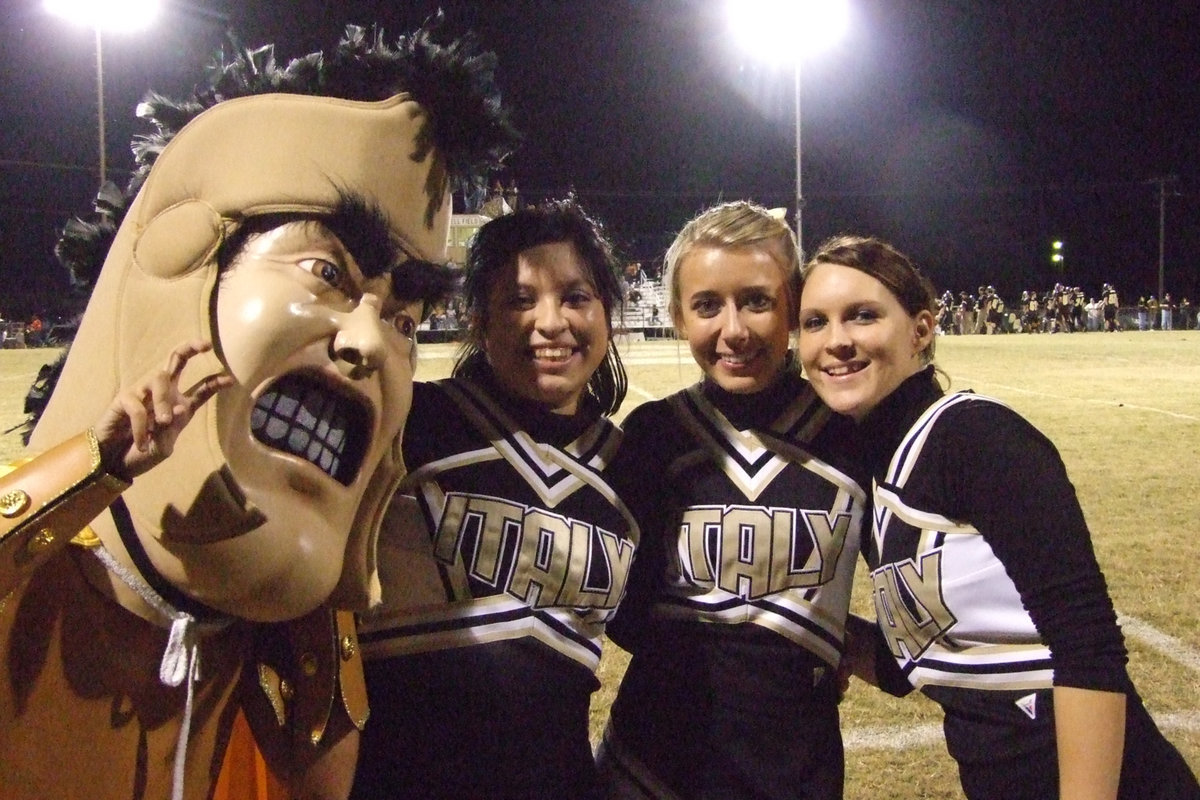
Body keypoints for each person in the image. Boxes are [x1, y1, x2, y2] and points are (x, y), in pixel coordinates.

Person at [0, 22, 516, 800]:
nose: (372, 343)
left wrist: (323, 582)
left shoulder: (258, 640)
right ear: (181, 272)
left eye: (406, 321)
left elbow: (319, 784)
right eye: (325, 272)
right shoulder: (33, 574)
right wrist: (89, 473)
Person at [796, 234, 1200, 800]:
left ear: (921, 329)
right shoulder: (873, 473)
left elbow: (1088, 649)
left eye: (863, 316)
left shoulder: (978, 437)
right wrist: (789, 622)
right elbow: (904, 663)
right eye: (815, 322)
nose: (836, 341)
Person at [350, 199, 638, 799]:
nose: (551, 322)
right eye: (520, 299)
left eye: (576, 297)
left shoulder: (634, 467)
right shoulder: (409, 421)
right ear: (479, 319)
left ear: (608, 313)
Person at [597, 202, 868, 799]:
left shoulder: (853, 437)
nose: (734, 330)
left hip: (796, 769)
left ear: (794, 306)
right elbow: (619, 602)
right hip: (651, 765)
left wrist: (832, 641)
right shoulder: (654, 435)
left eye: (757, 301)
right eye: (707, 306)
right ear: (676, 315)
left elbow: (915, 596)